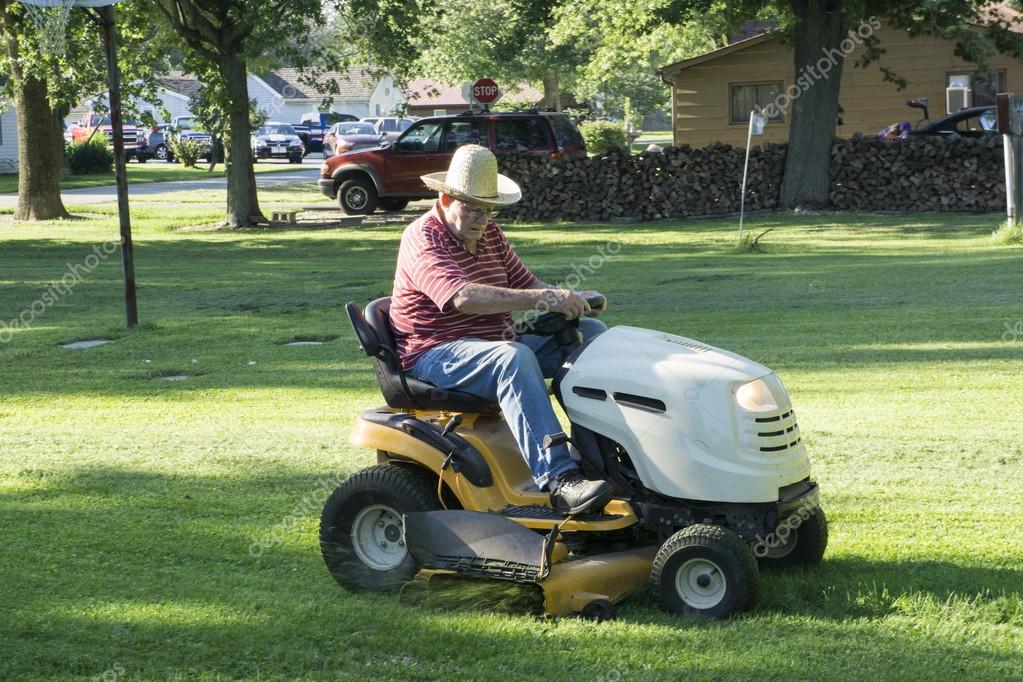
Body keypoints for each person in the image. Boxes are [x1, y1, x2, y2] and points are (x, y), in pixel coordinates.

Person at [389, 144, 613, 514]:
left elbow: (529, 286)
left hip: (494, 342)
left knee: (592, 335)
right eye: (473, 207)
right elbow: (463, 298)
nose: (482, 217)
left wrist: (571, 299)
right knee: (513, 359)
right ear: (446, 198)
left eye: (489, 208)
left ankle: (602, 455)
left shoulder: (490, 234)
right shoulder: (422, 237)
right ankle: (559, 478)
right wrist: (544, 296)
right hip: (435, 352)